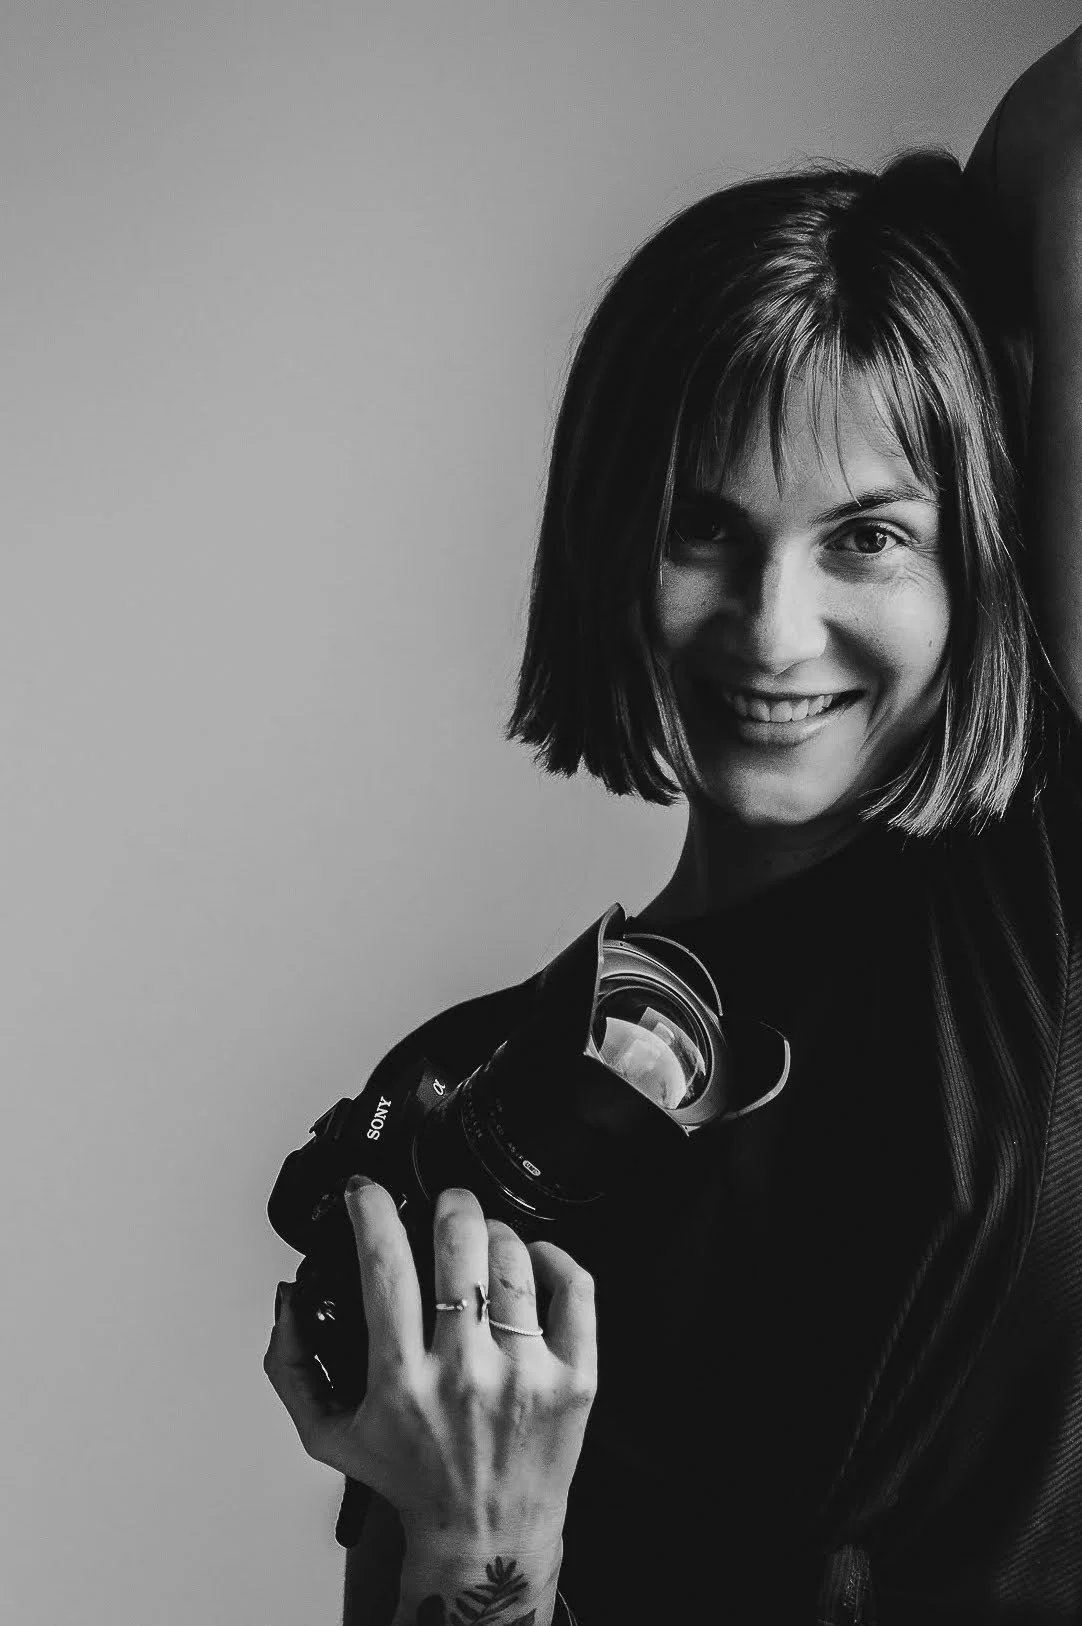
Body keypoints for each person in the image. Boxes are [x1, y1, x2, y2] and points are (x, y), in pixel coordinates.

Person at [264, 25, 1082, 1625]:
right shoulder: (472, 1104)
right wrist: (474, 1547)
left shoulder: (1033, 885)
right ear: (600, 544)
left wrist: (933, 280)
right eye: (704, 529)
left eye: (864, 536)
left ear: (970, 561)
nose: (775, 634)